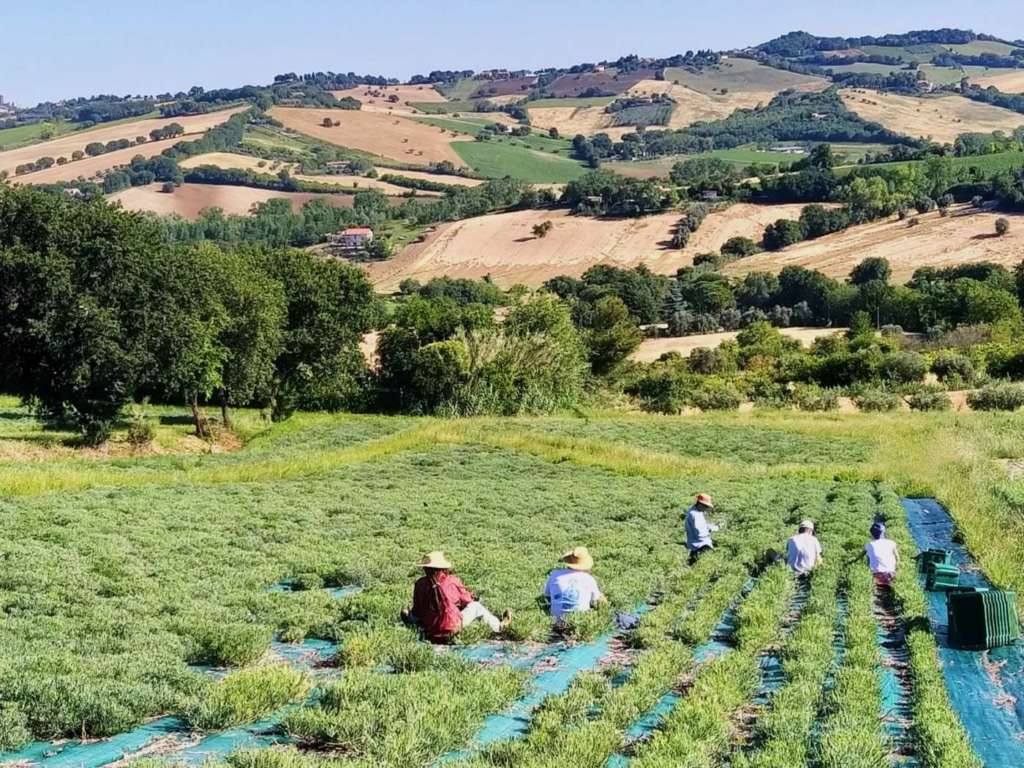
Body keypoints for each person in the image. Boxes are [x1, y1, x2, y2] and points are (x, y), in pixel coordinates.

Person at [406, 551, 510, 643]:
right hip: (451, 626)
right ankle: (499, 627)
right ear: (443, 568)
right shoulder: (452, 581)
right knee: (476, 606)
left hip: (429, 629)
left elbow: (417, 609)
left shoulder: (419, 583)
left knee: (410, 613)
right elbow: (467, 600)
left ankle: (415, 626)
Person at [543, 546, 606, 622]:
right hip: (580, 620)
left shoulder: (554, 574)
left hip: (555, 620)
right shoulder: (588, 578)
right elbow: (596, 601)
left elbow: (547, 595)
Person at [685, 493, 720, 565]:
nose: (706, 508)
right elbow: (700, 533)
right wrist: (712, 529)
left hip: (695, 543)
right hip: (700, 545)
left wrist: (712, 526)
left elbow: (702, 525)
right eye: (706, 506)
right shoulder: (695, 515)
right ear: (700, 504)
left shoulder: (694, 510)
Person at [865, 521, 900, 586]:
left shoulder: (868, 545)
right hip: (890, 573)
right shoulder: (892, 543)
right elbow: (897, 558)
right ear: (883, 532)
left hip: (876, 574)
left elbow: (868, 561)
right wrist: (896, 569)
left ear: (871, 534)